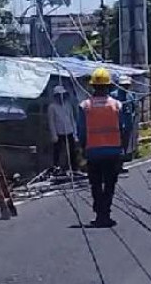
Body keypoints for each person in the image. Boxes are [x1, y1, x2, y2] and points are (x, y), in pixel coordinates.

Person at [77, 67, 126, 228]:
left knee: (96, 184)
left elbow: (81, 131)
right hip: (113, 151)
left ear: (92, 86)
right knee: (110, 184)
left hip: (93, 152)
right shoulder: (117, 105)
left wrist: (83, 148)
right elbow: (123, 127)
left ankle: (100, 213)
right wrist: (122, 148)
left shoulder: (85, 106)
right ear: (108, 86)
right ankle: (106, 212)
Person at [47, 85, 79, 170]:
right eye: (59, 95)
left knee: (72, 151)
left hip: (69, 131)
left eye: (63, 95)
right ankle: (56, 167)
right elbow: (51, 122)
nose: (61, 97)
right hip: (59, 133)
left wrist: (75, 134)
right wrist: (54, 135)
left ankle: (73, 168)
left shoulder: (68, 105)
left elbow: (72, 119)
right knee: (57, 151)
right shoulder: (52, 107)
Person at [110, 75, 136, 175]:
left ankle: (120, 165)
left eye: (127, 85)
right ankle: (114, 165)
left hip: (127, 124)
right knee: (116, 146)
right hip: (117, 125)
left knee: (124, 145)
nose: (125, 87)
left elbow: (133, 108)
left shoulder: (131, 95)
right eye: (123, 85)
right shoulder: (113, 95)